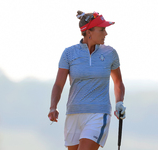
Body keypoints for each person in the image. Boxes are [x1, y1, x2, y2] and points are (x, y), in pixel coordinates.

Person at [48, 10, 126, 150]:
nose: (106, 33)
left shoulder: (110, 53)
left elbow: (118, 82)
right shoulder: (69, 53)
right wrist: (53, 106)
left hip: (98, 113)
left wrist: (119, 102)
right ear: (89, 32)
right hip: (73, 113)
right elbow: (59, 85)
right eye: (102, 29)